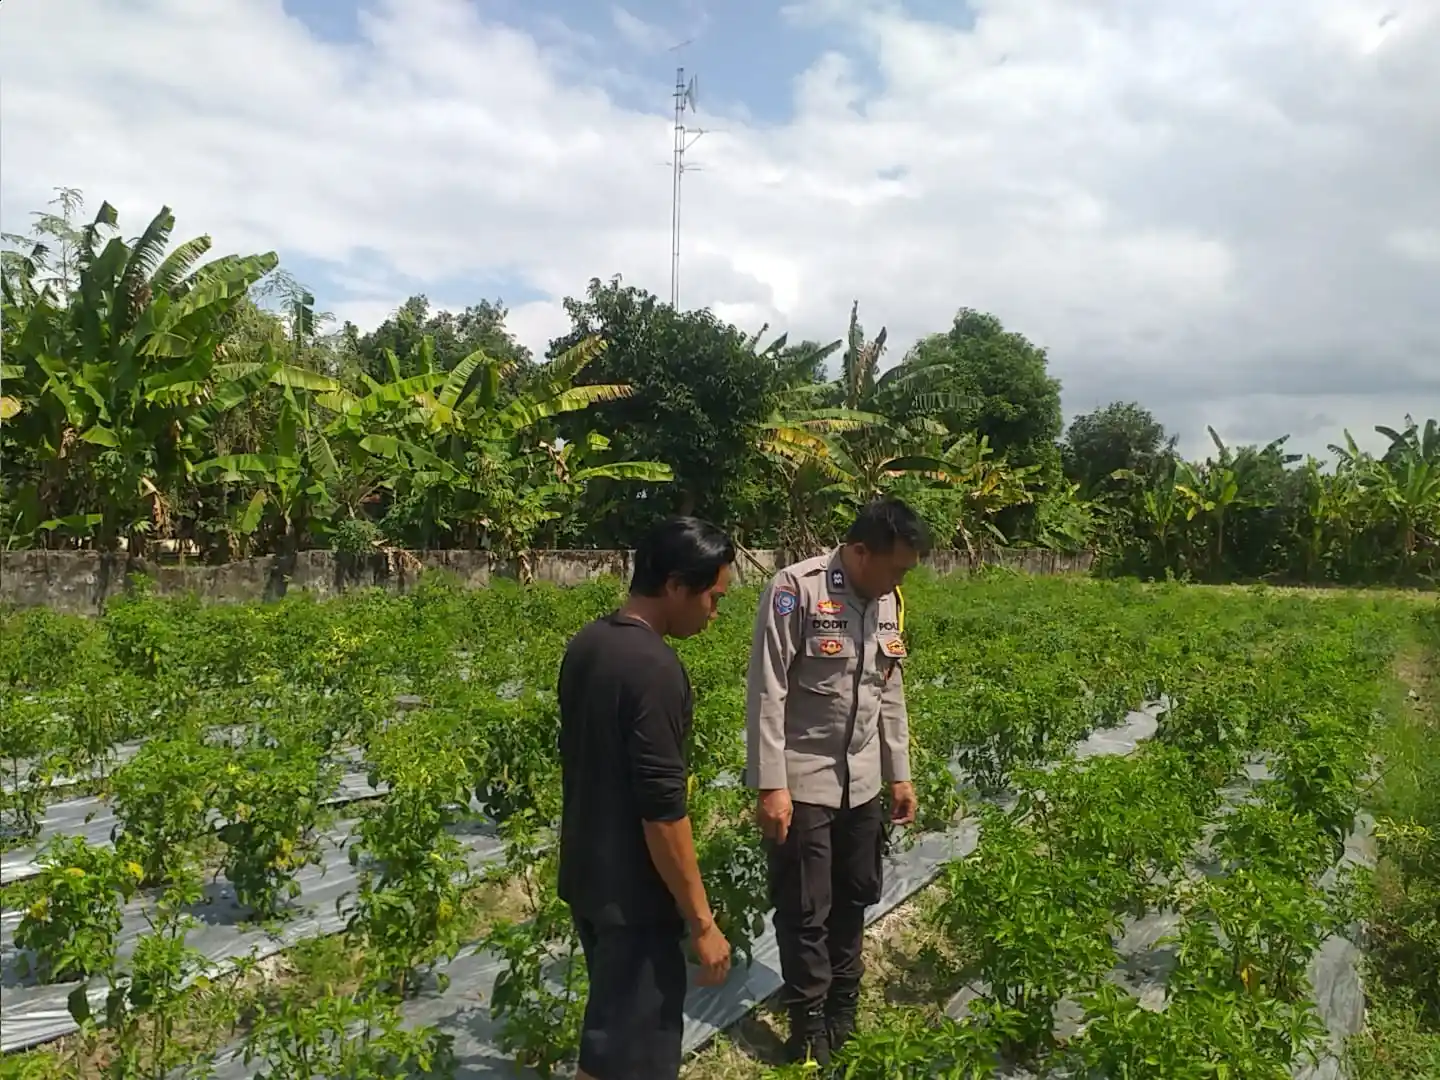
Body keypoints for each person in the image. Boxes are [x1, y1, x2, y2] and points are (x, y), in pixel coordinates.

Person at [744, 496, 928, 1065]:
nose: (900, 578)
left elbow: (888, 689)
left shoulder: (887, 600)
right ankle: (808, 1022)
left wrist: (900, 774)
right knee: (805, 908)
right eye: (895, 566)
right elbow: (767, 691)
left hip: (864, 780)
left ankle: (844, 1009)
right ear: (858, 551)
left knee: (855, 896)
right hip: (805, 779)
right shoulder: (795, 589)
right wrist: (770, 785)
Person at [557, 515, 736, 1080]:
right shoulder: (655, 669)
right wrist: (702, 922)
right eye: (713, 597)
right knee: (630, 1061)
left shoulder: (588, 643)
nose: (715, 612)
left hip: (589, 879)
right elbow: (662, 811)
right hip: (635, 899)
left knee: (610, 1046)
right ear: (677, 586)